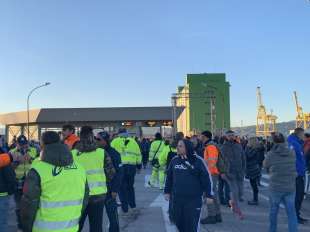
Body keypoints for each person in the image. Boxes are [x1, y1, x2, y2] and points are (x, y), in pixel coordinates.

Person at [20, 131, 88, 232]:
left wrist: (26, 228)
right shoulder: (80, 169)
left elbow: (29, 204)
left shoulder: (37, 168)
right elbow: (84, 200)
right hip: (71, 228)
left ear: (42, 144)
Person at [164, 139, 213, 232]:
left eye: (180, 146)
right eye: (178, 145)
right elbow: (169, 177)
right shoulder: (174, 160)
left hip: (193, 200)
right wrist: (167, 191)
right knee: (178, 224)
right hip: (177, 200)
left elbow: (206, 179)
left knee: (191, 226)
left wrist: (209, 195)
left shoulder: (198, 161)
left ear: (188, 147)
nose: (177, 148)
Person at [71, 126, 113, 232]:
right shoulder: (101, 153)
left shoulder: (72, 154)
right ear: (92, 137)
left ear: (80, 137)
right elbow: (111, 173)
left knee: (75, 226)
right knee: (96, 227)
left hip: (78, 196)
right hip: (98, 196)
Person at [264, 132, 298, 232]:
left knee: (273, 212)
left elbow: (265, 165)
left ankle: (272, 230)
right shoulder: (291, 152)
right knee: (291, 213)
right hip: (290, 186)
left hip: (275, 187)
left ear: (273, 142)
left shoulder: (271, 154)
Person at [10, 135, 38, 230]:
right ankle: (20, 226)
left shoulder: (34, 150)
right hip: (18, 182)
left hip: (30, 182)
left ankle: (30, 226)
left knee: (30, 206)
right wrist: (17, 161)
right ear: (17, 144)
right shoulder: (11, 152)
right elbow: (9, 168)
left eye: (24, 144)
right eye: (20, 144)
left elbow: (39, 164)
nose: (23, 146)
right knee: (18, 207)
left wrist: (31, 159)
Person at [96, 131, 123, 232]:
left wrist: (115, 190)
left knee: (113, 217)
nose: (96, 141)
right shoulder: (95, 153)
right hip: (97, 191)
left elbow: (119, 173)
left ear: (105, 141)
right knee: (96, 219)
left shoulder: (114, 153)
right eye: (96, 138)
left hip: (109, 190)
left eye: (99, 139)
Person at [111, 128, 142, 216]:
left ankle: (125, 209)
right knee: (130, 187)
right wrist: (139, 166)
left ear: (119, 134)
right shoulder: (133, 142)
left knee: (121, 188)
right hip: (131, 167)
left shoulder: (115, 142)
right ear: (126, 133)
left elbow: (111, 155)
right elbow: (138, 154)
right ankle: (133, 206)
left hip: (121, 167)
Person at [200, 130, 224, 225]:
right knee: (214, 195)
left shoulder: (211, 147)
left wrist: (205, 172)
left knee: (209, 195)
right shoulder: (210, 146)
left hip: (211, 174)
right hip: (212, 173)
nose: (200, 138)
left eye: (201, 136)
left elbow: (212, 162)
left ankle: (212, 216)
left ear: (205, 137)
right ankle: (217, 215)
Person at [221, 130, 245, 220]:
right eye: (229, 135)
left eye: (232, 135)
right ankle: (238, 211)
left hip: (239, 173)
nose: (231, 137)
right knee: (235, 192)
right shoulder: (223, 147)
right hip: (230, 173)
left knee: (240, 193)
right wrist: (223, 172)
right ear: (226, 137)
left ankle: (232, 203)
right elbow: (221, 161)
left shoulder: (238, 145)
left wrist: (243, 170)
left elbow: (243, 158)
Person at [288, 128, 308, 224]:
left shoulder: (296, 142)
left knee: (298, 196)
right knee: (297, 196)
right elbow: (292, 159)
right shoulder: (293, 143)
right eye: (303, 134)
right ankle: (294, 216)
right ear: (299, 134)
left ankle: (296, 215)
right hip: (296, 174)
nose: (304, 136)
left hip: (299, 172)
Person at [0, 150, 16, 232]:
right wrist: (11, 191)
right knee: (2, 222)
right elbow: (10, 176)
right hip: (2, 195)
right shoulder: (4, 157)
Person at [244, 137, 261, 206]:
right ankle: (255, 199)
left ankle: (255, 200)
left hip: (252, 168)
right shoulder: (256, 149)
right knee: (254, 185)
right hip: (254, 167)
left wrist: (247, 148)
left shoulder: (253, 149)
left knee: (253, 185)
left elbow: (248, 156)